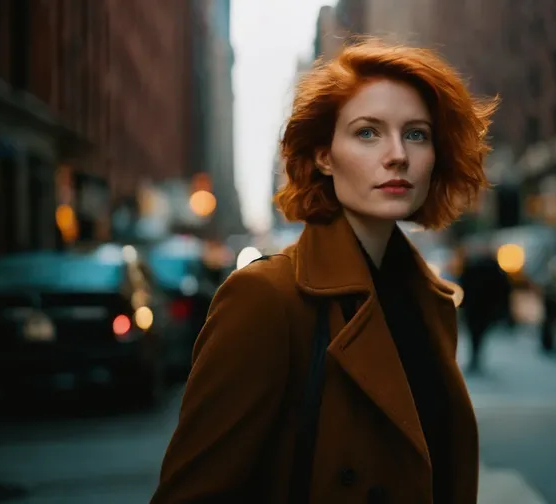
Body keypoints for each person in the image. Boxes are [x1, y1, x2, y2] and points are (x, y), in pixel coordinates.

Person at [151, 37, 498, 504]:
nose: (397, 154)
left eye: (416, 133)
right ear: (323, 155)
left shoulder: (429, 301)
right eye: (367, 132)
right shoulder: (265, 299)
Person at [458, 243, 513, 373]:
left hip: (474, 306)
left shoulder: (471, 266)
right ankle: (476, 357)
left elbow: (463, 284)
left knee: (474, 332)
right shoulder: (493, 268)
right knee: (479, 332)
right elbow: (504, 288)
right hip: (485, 306)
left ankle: (475, 357)